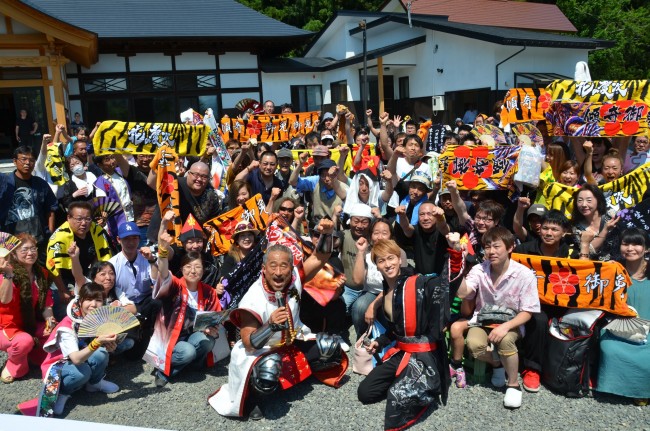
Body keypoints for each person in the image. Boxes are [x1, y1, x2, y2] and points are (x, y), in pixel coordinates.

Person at [209, 218, 347, 420]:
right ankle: (255, 397)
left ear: (292, 268)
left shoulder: (295, 278)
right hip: (261, 351)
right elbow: (248, 343)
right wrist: (270, 326)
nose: (279, 272)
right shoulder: (253, 299)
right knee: (268, 367)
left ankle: (297, 377)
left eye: (284, 266)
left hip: (292, 341)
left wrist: (327, 233)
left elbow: (321, 256)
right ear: (264, 269)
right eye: (273, 266)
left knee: (331, 347)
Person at [357, 238, 462, 430]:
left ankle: (428, 387)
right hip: (401, 352)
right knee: (365, 393)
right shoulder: (387, 288)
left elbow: (445, 284)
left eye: (391, 258)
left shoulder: (419, 282)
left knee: (397, 399)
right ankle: (409, 382)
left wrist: (455, 254)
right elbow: (395, 330)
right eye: (381, 261)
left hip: (423, 356)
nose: (387, 264)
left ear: (399, 259)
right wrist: (379, 342)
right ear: (376, 265)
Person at [457, 227, 540, 409]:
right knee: (474, 344)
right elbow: (464, 293)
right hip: (483, 319)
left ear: (510, 248)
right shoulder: (480, 269)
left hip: (511, 322)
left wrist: (505, 327)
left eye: (497, 246)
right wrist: (459, 267)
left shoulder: (524, 274)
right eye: (487, 247)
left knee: (506, 341)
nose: (491, 251)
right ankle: (497, 364)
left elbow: (528, 311)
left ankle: (513, 384)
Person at [145, 224, 223, 387]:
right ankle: (165, 371)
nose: (193, 271)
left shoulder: (209, 291)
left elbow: (216, 316)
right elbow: (164, 272)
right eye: (188, 267)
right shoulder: (175, 286)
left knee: (207, 341)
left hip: (192, 335)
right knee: (188, 352)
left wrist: (212, 328)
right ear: (181, 269)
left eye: (198, 267)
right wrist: (163, 251)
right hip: (171, 338)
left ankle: (190, 365)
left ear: (203, 270)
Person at [513, 210, 575, 392]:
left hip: (562, 303)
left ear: (564, 232)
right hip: (532, 303)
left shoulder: (571, 253)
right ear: (539, 230)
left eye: (554, 229)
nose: (549, 233)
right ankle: (532, 369)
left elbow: (584, 276)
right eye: (545, 228)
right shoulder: (524, 250)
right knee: (539, 320)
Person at [39, 283, 120, 416]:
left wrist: (110, 346)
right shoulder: (67, 325)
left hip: (81, 357)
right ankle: (63, 393)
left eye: (98, 300)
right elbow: (76, 359)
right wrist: (97, 342)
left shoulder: (97, 319)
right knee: (81, 372)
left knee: (102, 353)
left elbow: (96, 348)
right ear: (80, 301)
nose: (93, 304)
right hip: (60, 364)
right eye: (88, 299)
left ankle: (94, 383)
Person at [597, 228, 650, 405]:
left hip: (648, 329)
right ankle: (621, 388)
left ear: (646, 248)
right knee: (610, 348)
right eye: (625, 243)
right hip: (618, 327)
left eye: (636, 244)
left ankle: (642, 390)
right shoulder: (614, 269)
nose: (630, 248)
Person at [0, 233, 56, 383]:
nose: (30, 253)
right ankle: (13, 365)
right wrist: (8, 274)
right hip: (6, 326)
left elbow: (46, 304)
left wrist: (49, 320)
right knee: (24, 341)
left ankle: (32, 356)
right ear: (14, 253)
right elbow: (4, 300)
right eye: (24, 250)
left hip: (29, 322)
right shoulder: (6, 272)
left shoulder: (41, 273)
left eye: (33, 248)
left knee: (55, 332)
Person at [47, 201, 114, 319]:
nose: (83, 223)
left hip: (84, 276)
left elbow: (100, 257)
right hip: (62, 279)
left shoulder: (96, 230)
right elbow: (54, 269)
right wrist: (63, 291)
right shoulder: (60, 237)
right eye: (79, 219)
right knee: (66, 310)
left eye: (88, 219)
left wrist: (94, 282)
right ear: (69, 218)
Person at [109, 221, 160, 358]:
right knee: (134, 356)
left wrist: (151, 261)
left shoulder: (146, 258)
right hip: (127, 307)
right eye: (126, 239)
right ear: (119, 240)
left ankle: (153, 332)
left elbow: (155, 281)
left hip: (145, 302)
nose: (131, 243)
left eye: (134, 238)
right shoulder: (113, 264)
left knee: (157, 301)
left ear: (139, 239)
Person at [351, 218, 408, 338]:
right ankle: (362, 339)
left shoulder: (398, 252)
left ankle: (392, 339)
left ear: (391, 236)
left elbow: (399, 282)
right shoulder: (366, 252)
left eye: (384, 233)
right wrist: (360, 253)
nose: (380, 237)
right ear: (371, 235)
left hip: (392, 291)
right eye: (376, 233)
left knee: (389, 311)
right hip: (371, 291)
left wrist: (374, 305)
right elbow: (357, 281)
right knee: (359, 307)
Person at [0, 146, 58, 251]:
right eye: (23, 159)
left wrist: (50, 232)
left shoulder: (40, 184)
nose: (27, 163)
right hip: (10, 238)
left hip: (37, 237)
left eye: (31, 160)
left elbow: (50, 208)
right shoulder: (4, 183)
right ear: (14, 161)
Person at [397, 200, 450, 276]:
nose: (425, 218)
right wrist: (402, 215)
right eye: (422, 214)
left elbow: (444, 227)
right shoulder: (416, 230)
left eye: (429, 214)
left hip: (441, 278)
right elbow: (406, 227)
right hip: (420, 279)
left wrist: (440, 217)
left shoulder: (442, 231)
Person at [115, 153, 157, 246]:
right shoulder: (132, 172)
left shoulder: (159, 172)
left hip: (158, 223)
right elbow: (118, 157)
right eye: (141, 156)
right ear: (135, 157)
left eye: (149, 156)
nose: (145, 159)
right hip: (140, 224)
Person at [572, 184, 619, 261]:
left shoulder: (611, 215)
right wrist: (605, 230)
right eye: (580, 200)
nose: (584, 205)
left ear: (598, 200)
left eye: (589, 200)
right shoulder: (576, 227)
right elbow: (589, 251)